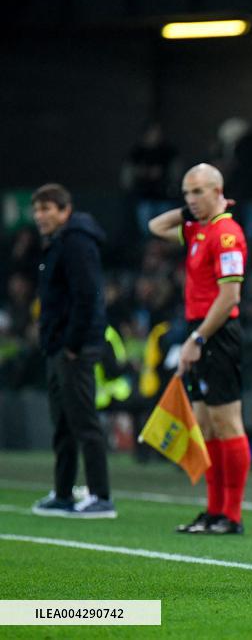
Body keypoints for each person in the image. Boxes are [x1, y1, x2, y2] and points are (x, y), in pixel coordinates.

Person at [148, 163, 250, 535]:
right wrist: (188, 210)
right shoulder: (197, 230)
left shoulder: (226, 234)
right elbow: (155, 226)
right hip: (200, 331)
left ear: (217, 191)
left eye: (198, 192)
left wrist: (197, 340)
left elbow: (230, 296)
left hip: (217, 332)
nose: (190, 199)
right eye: (186, 193)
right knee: (205, 424)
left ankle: (232, 516)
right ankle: (213, 511)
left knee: (226, 422)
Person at [30, 184, 117, 518]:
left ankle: (101, 496)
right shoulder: (60, 243)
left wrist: (72, 344)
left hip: (74, 349)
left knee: (83, 421)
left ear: (65, 210)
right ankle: (64, 492)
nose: (40, 216)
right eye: (37, 209)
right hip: (59, 346)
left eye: (47, 209)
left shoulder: (77, 243)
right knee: (63, 423)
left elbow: (87, 296)